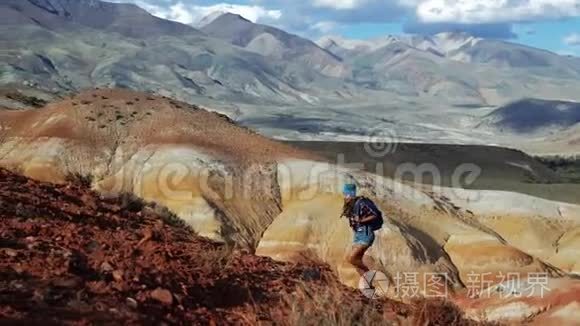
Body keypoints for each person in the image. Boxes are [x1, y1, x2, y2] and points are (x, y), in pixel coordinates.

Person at [341, 183, 383, 279]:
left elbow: (374, 214)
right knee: (356, 262)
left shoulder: (362, 202)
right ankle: (367, 284)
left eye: (346, 194)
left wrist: (361, 220)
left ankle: (370, 276)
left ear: (351, 194)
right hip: (358, 235)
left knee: (352, 259)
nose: (344, 196)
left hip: (366, 234)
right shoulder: (351, 205)